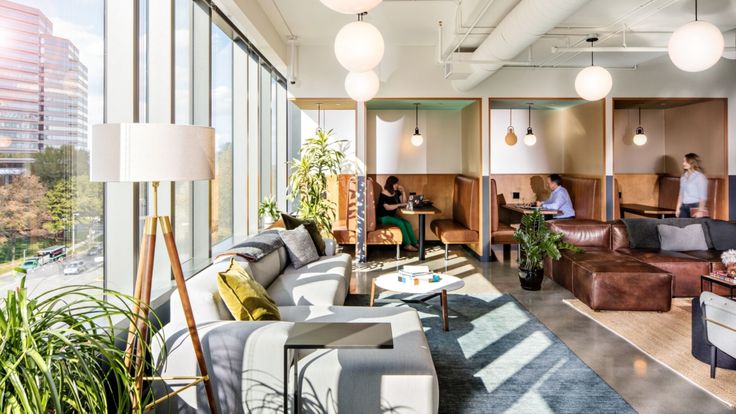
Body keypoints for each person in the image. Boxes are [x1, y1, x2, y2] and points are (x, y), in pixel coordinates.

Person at [376, 176, 418, 251]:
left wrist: (403, 191)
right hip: (382, 217)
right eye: (395, 184)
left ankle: (415, 243)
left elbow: (404, 203)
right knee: (400, 223)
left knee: (407, 223)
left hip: (391, 216)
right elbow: (387, 207)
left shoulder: (396, 193)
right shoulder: (383, 193)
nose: (397, 185)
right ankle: (407, 245)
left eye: (397, 184)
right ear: (390, 184)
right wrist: (399, 205)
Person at [676, 153, 708, 218]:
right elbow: (681, 194)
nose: (683, 163)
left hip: (695, 207)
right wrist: (677, 208)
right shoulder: (683, 177)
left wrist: (700, 211)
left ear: (692, 162)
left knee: (693, 227)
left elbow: (703, 196)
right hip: (684, 207)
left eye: (685, 161)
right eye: (683, 161)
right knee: (681, 227)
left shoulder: (700, 177)